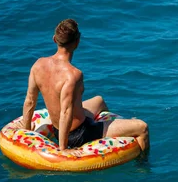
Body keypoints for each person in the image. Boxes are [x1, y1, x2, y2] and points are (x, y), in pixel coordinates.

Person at [19, 18, 149, 155]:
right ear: (77, 42)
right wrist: (63, 149)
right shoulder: (73, 75)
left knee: (99, 100)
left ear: (54, 39)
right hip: (79, 134)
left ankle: (118, 127)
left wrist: (27, 130)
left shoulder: (38, 65)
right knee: (142, 127)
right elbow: (65, 112)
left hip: (59, 128)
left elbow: (30, 100)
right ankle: (143, 166)